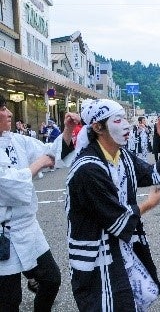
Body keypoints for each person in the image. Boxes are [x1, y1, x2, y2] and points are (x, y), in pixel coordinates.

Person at [65, 99, 160, 311]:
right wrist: (148, 204)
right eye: (118, 120)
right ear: (98, 127)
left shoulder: (122, 155)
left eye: (126, 119)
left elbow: (155, 174)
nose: (126, 125)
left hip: (119, 247)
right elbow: (118, 221)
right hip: (97, 256)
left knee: (138, 297)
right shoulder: (88, 169)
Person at [0, 94, 80, 311]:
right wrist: (38, 165)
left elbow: (50, 152)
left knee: (51, 279)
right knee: (9, 300)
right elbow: (6, 186)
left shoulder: (16, 140)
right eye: (3, 109)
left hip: (27, 227)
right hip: (2, 234)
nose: (8, 113)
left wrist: (67, 130)